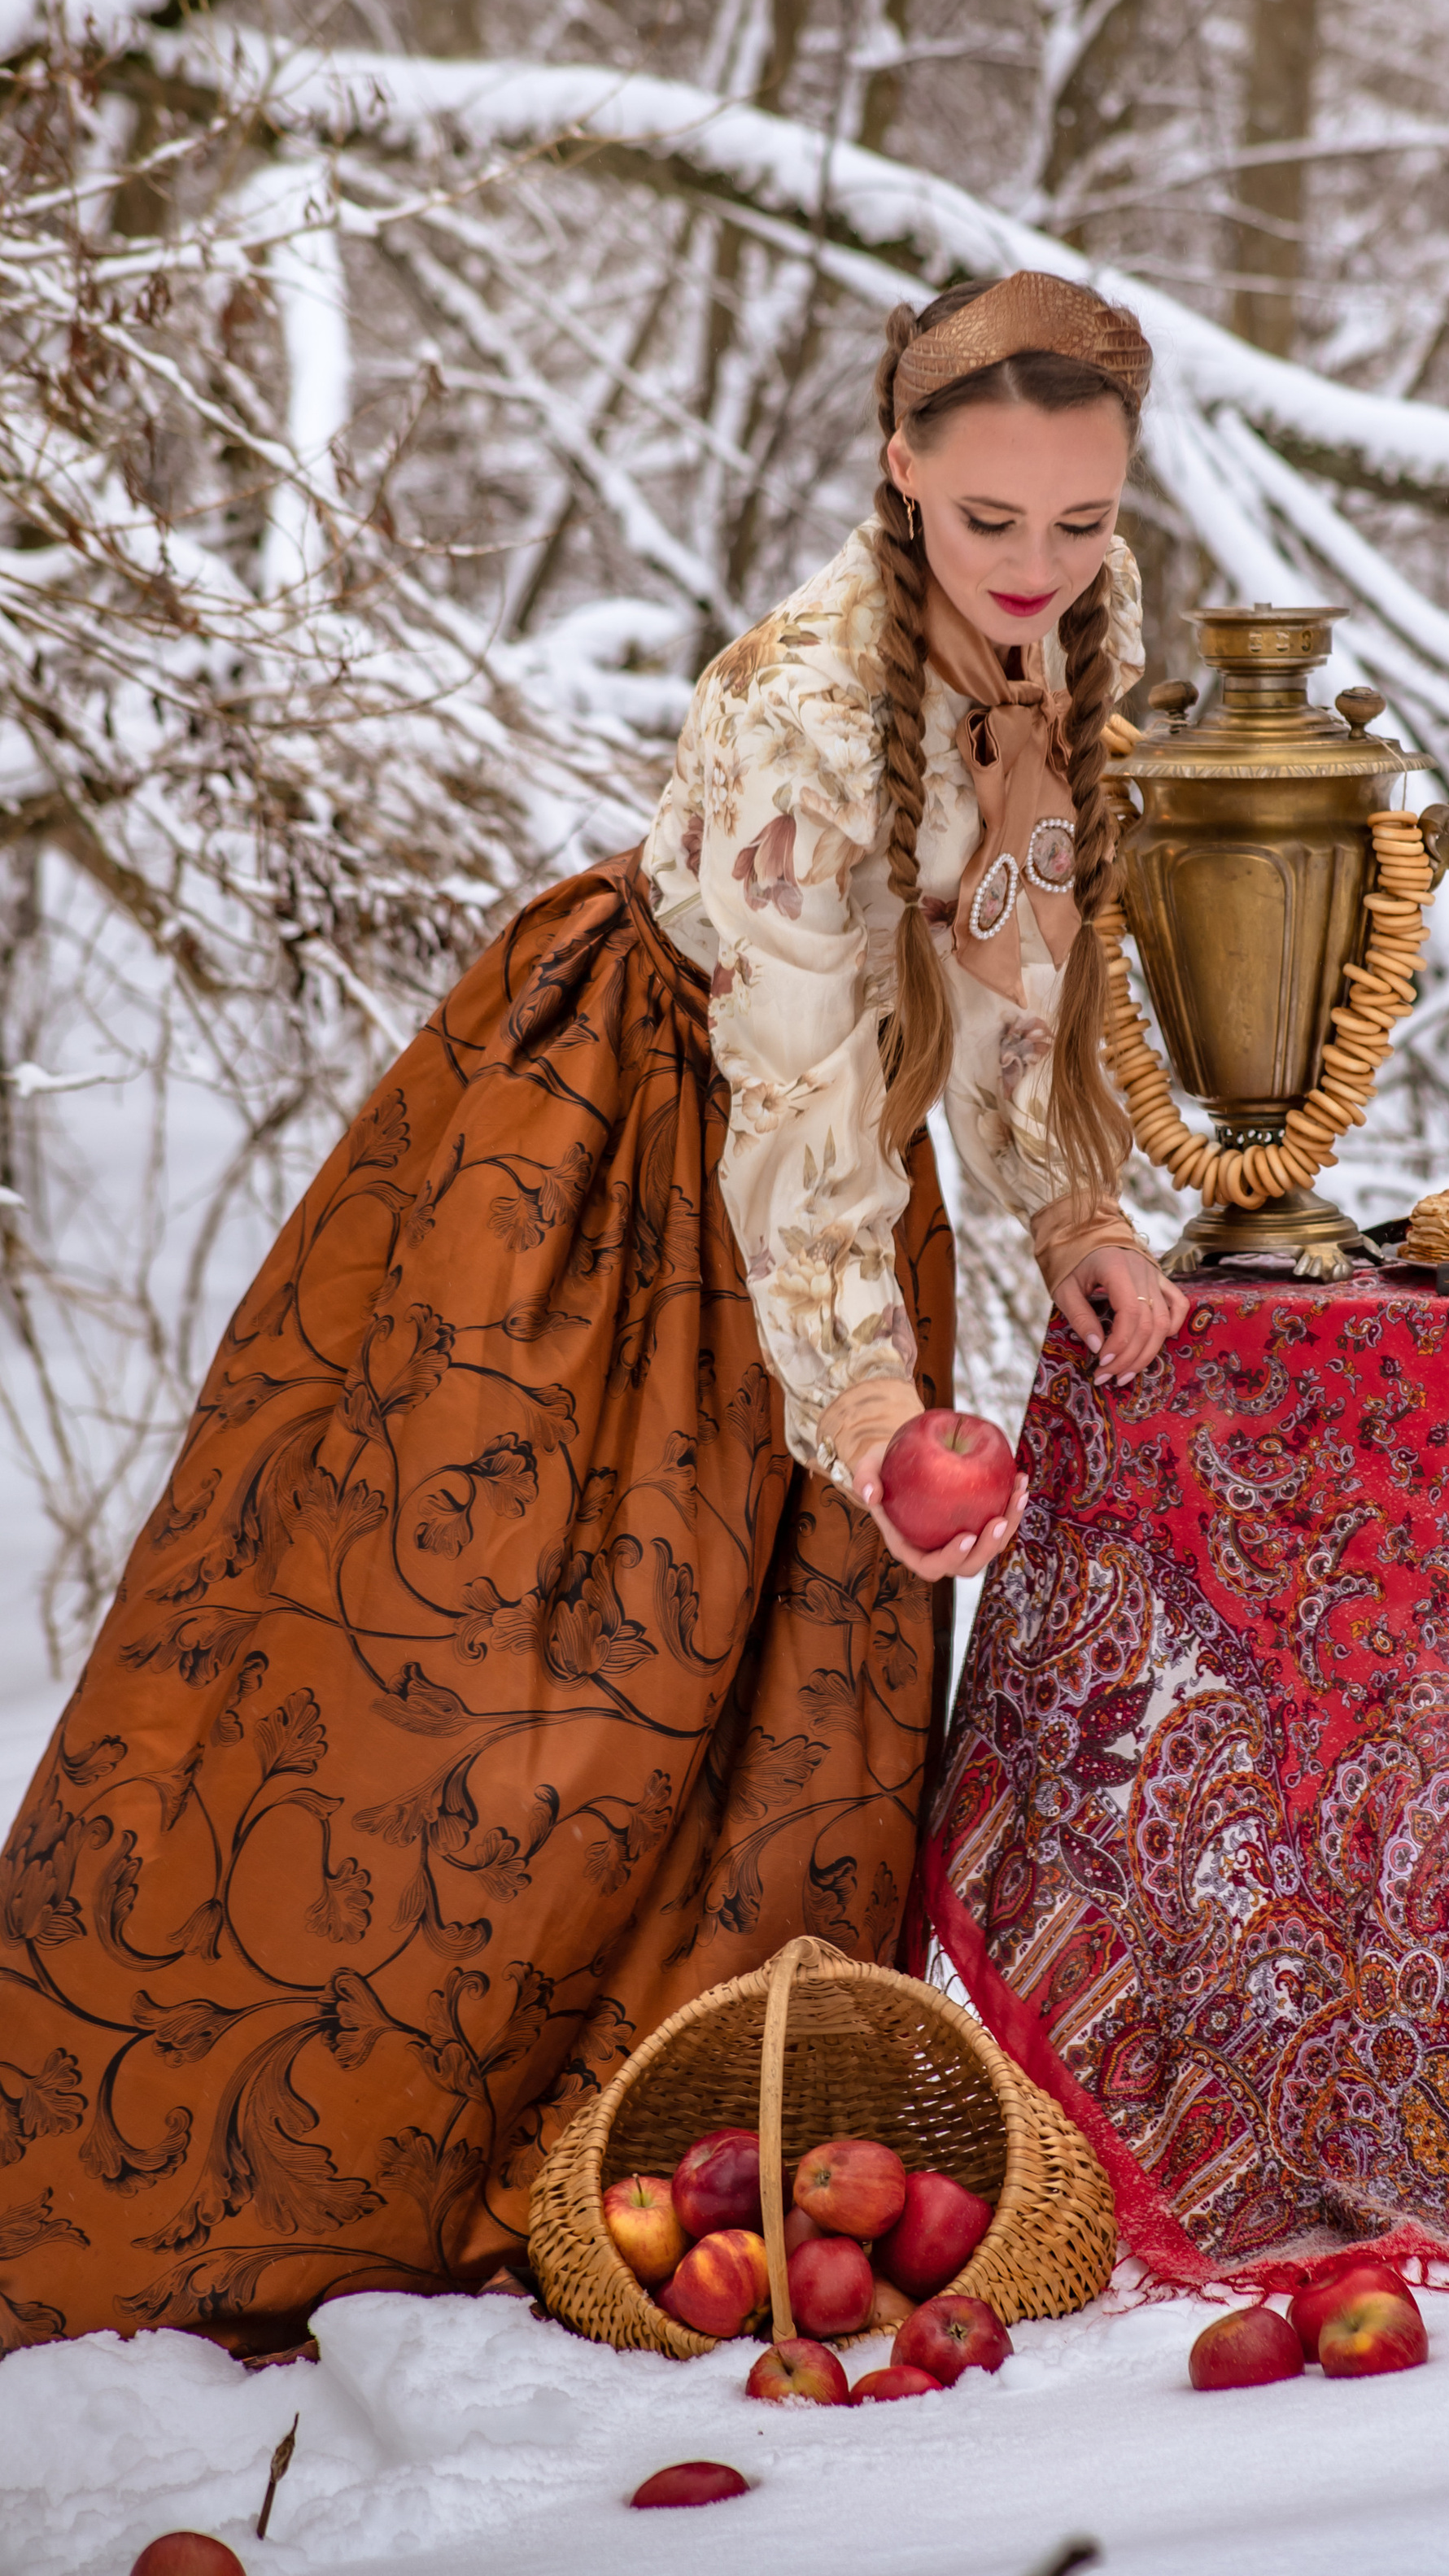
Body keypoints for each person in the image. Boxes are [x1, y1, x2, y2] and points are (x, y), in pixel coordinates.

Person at [0, 269, 1189, 2356]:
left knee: (787, 1738)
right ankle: (280, 2173)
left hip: (836, 1213)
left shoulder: (1077, 642)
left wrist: (1066, 1212)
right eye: (989, 519)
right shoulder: (805, 710)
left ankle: (692, 2162)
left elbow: (1015, 977)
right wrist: (875, 1419)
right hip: (611, 1182)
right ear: (899, 465)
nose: (1034, 566)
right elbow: (801, 1111)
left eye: (1078, 522)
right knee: (494, 1720)